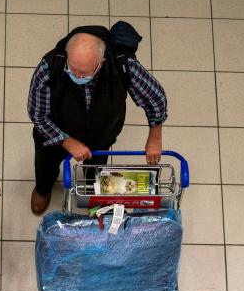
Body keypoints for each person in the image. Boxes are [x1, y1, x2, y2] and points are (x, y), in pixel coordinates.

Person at [27, 24, 168, 215]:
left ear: (100, 63)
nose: (76, 76)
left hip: (101, 134)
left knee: (95, 169)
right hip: (55, 131)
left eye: (84, 73)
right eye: (72, 69)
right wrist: (67, 141)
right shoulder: (50, 65)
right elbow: (37, 114)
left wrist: (155, 136)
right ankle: (43, 188)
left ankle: (92, 192)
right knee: (45, 165)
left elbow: (155, 97)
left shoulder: (122, 65)